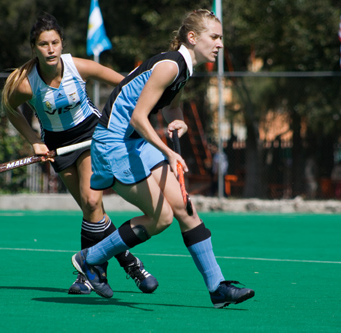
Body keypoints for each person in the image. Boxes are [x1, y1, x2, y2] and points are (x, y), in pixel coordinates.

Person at [71, 9, 255, 308]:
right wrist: (168, 151)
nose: (220, 43)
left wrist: (179, 120)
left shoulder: (183, 68)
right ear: (193, 38)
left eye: (221, 37)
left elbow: (170, 106)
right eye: (214, 36)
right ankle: (90, 259)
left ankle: (218, 287)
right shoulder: (170, 66)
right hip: (114, 144)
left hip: (135, 142)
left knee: (184, 208)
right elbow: (139, 116)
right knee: (162, 218)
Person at [1, 13, 158, 295]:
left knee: (90, 198)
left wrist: (134, 114)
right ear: (34, 48)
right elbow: (11, 111)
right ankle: (128, 263)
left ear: (62, 44)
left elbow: (126, 85)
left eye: (55, 42)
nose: (50, 49)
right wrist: (35, 141)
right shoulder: (27, 83)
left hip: (90, 135)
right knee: (91, 211)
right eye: (43, 44)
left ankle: (92, 272)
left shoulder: (78, 66)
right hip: (58, 147)